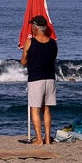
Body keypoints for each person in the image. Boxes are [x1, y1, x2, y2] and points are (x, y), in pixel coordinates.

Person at [20, 15, 58, 145]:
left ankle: (39, 139)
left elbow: (23, 61)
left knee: (35, 108)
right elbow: (52, 59)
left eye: (32, 26)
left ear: (35, 27)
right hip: (50, 78)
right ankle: (47, 138)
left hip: (36, 79)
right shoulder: (53, 43)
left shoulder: (30, 42)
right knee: (46, 108)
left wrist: (26, 53)